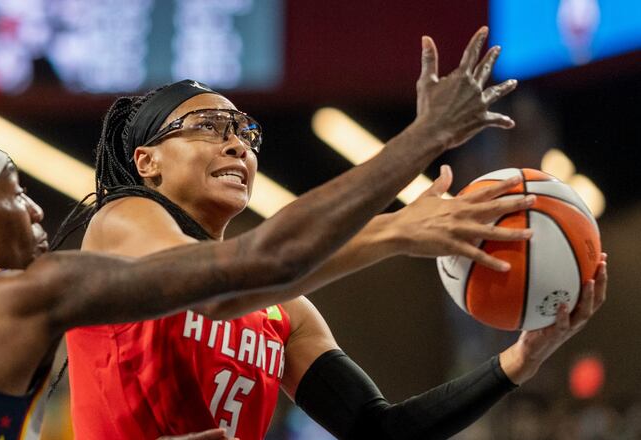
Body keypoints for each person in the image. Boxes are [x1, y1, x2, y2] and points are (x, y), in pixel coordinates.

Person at [65, 27, 608, 439]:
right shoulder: (121, 222)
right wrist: (417, 160)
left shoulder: (284, 311)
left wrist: (520, 360)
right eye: (207, 126)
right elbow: (222, 286)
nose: (237, 145)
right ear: (147, 162)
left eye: (245, 133)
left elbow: (378, 430)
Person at [0, 121, 480, 440]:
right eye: (14, 195)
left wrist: (516, 362)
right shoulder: (24, 293)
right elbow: (250, 269)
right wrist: (416, 157)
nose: (37, 209)